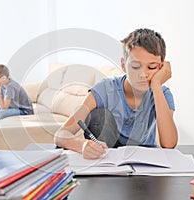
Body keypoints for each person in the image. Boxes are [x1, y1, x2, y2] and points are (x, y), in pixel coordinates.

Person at [54, 28, 178, 159]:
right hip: (105, 161)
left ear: (161, 68)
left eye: (152, 67)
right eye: (136, 67)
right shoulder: (105, 89)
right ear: (123, 65)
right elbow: (61, 134)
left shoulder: (163, 94)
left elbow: (169, 144)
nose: (143, 74)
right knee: (100, 117)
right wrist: (81, 144)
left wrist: (157, 85)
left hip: (144, 165)